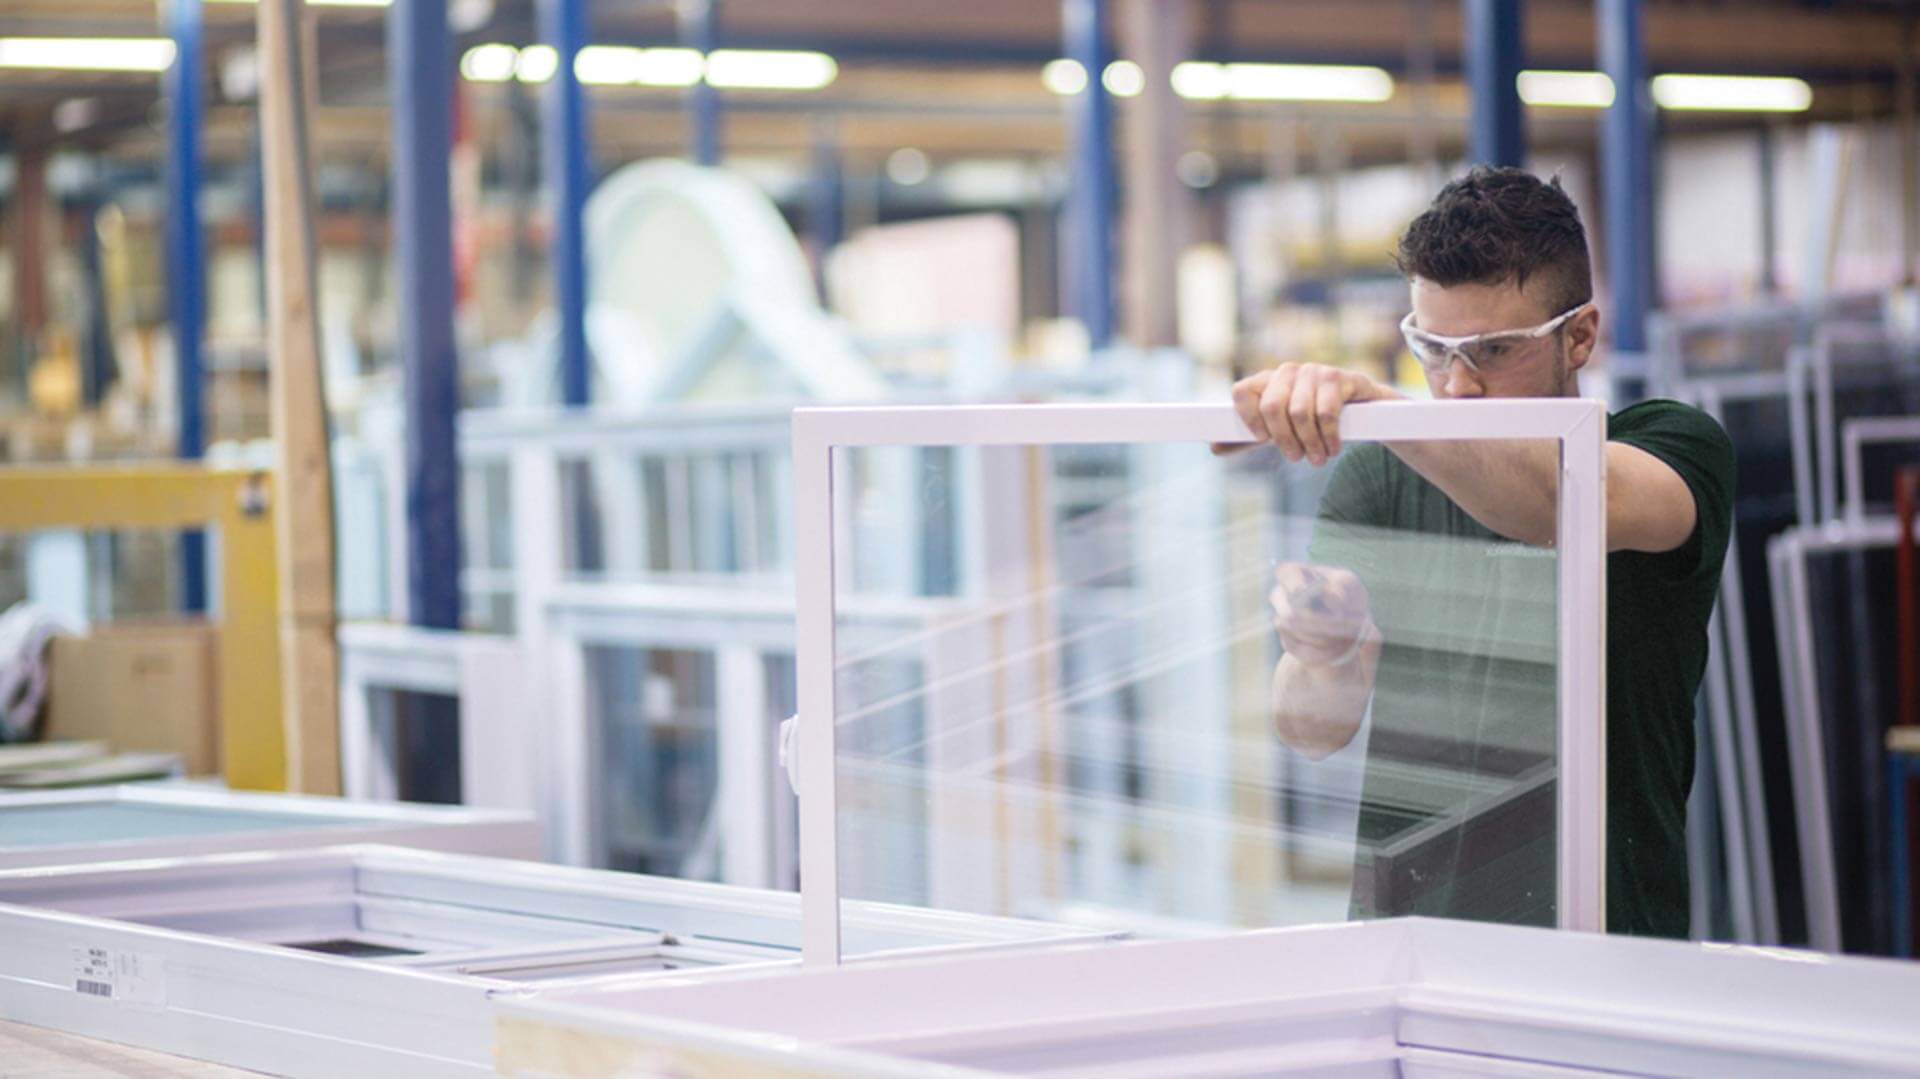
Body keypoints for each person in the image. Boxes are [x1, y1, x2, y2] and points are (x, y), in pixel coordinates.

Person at [1231, 166, 1733, 937]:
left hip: (1602, 933)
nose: (1456, 386)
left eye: (1493, 351)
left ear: (1581, 335)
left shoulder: (1674, 448)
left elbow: (1556, 501)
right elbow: (1312, 730)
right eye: (1432, 349)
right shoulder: (1381, 472)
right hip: (1407, 938)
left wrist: (1377, 404)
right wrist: (1322, 652)